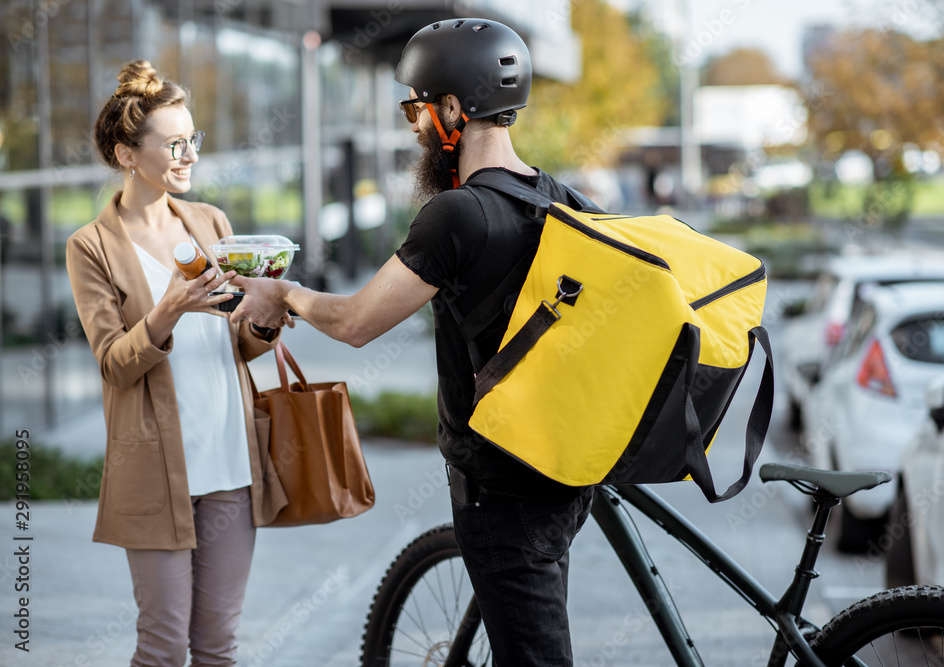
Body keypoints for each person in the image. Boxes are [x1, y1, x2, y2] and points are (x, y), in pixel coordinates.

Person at [231, 19, 594, 665]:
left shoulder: (456, 214)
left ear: (454, 108)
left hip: (502, 482)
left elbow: (355, 322)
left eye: (416, 108)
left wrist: (284, 295)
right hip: (564, 466)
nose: (413, 125)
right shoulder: (564, 200)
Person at [66, 59, 290, 667]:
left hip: (229, 462)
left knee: (218, 650)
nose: (188, 154)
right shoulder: (92, 246)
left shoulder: (210, 222)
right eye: (174, 144)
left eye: (193, 140)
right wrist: (169, 309)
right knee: (162, 650)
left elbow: (233, 343)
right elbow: (114, 363)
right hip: (155, 473)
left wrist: (263, 319)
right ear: (126, 153)